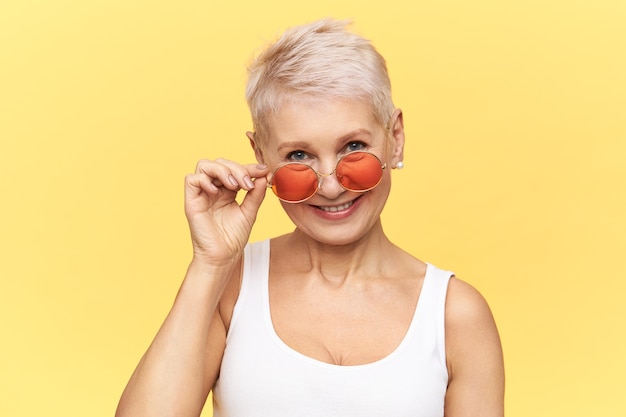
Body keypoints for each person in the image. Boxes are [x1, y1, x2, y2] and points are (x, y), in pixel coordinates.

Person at [115, 18, 504, 417]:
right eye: (298, 156)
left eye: (354, 146)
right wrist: (210, 264)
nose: (331, 186)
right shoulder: (231, 288)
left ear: (395, 139)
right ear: (261, 156)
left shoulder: (455, 315)